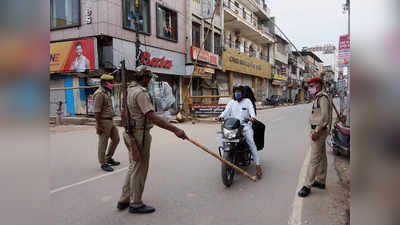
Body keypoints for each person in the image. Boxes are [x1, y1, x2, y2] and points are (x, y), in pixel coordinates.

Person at [117, 65, 187, 214]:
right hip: (139, 135)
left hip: (130, 133)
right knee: (139, 169)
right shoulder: (141, 93)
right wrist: (176, 130)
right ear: (144, 77)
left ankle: (124, 199)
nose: (149, 81)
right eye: (148, 78)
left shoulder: (129, 90)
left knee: (133, 166)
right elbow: (152, 117)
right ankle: (135, 203)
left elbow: (123, 114)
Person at [217, 86, 263, 178]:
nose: (237, 93)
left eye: (239, 92)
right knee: (222, 139)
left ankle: (258, 165)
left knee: (251, 142)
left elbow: (252, 113)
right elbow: (225, 112)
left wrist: (252, 118)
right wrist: (220, 117)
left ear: (243, 93)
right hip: (233, 127)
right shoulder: (231, 102)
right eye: (235, 92)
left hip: (245, 127)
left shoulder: (247, 102)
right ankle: (225, 160)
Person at [298, 77, 332, 197]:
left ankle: (307, 185)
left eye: (311, 86)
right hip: (319, 130)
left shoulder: (322, 98)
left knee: (314, 159)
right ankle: (321, 181)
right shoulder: (318, 97)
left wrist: (316, 131)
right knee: (322, 157)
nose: (310, 88)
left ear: (318, 86)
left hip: (319, 131)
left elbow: (325, 117)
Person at [93, 74, 120, 172]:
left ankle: (108, 158)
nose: (112, 84)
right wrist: (98, 125)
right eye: (110, 82)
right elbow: (96, 111)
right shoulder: (99, 94)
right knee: (103, 143)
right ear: (104, 83)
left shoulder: (106, 92)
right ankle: (103, 163)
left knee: (116, 139)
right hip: (103, 121)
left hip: (110, 120)